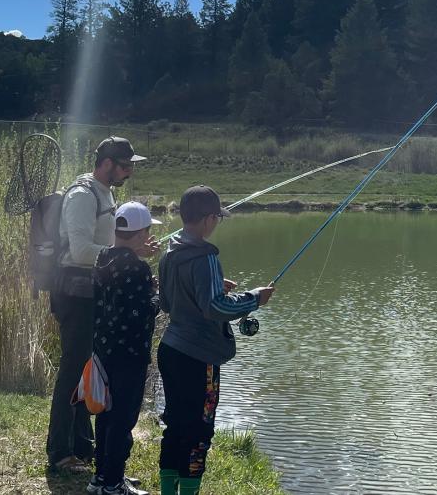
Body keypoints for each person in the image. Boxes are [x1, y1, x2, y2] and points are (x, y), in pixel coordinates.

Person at [46, 136, 158, 475]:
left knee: (87, 370)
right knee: (72, 371)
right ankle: (60, 453)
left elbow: (104, 247)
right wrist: (126, 254)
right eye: (125, 166)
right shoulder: (82, 195)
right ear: (107, 163)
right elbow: (78, 251)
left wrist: (130, 250)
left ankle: (83, 446)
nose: (128, 172)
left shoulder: (104, 192)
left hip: (91, 294)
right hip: (74, 294)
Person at [156, 185, 275, 495]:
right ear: (209, 219)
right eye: (217, 218)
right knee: (199, 431)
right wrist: (253, 298)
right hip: (199, 359)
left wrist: (211, 286)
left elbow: (167, 303)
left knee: (176, 427)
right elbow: (215, 308)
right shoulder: (205, 256)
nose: (217, 223)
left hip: (170, 350)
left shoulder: (170, 252)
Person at [87, 201, 161, 495]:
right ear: (141, 233)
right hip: (130, 356)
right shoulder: (139, 269)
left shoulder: (103, 257)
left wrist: (140, 266)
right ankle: (113, 482)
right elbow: (146, 311)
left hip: (103, 351)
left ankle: (101, 477)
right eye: (146, 232)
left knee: (106, 413)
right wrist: (155, 293)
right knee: (124, 417)